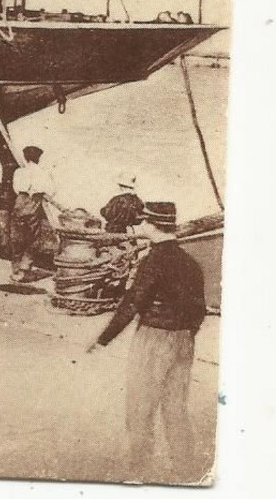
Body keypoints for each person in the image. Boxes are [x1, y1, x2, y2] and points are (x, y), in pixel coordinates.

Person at [88, 203, 208, 479]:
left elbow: (132, 303)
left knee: (140, 408)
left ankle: (137, 472)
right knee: (175, 407)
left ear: (154, 226)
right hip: (184, 340)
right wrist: (185, 334)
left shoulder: (153, 260)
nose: (140, 226)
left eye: (143, 222)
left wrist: (103, 339)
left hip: (153, 338)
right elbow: (198, 309)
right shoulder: (190, 263)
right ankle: (185, 469)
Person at [8, 145, 57, 282]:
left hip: (20, 203)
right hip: (34, 203)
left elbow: (16, 189)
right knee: (33, 238)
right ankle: (25, 267)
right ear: (39, 158)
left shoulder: (19, 172)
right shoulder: (44, 173)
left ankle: (16, 269)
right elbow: (51, 191)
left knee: (17, 237)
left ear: (25, 157)